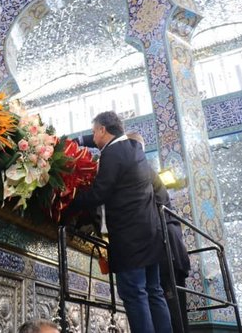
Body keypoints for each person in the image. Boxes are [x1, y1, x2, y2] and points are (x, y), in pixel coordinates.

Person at [67, 111, 172, 333]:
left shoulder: (113, 153)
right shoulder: (133, 149)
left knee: (134, 293)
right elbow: (93, 143)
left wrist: (70, 199)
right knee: (154, 291)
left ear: (103, 130)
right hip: (151, 235)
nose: (93, 137)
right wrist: (76, 141)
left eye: (95, 131)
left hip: (130, 238)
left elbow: (100, 193)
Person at [127, 132, 191, 333]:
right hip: (167, 246)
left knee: (169, 305)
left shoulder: (139, 170)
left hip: (164, 248)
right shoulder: (147, 170)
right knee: (168, 304)